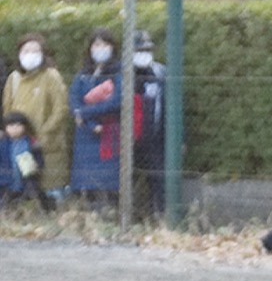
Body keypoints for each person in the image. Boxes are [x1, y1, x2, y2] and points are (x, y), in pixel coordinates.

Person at [3, 33, 71, 199]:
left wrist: (44, 132)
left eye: (35, 50)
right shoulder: (14, 78)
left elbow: (60, 108)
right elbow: (7, 109)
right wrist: (11, 131)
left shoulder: (51, 76)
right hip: (20, 143)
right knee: (23, 183)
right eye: (26, 50)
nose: (30, 54)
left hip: (47, 144)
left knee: (50, 189)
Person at [68, 28, 123, 210]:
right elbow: (74, 100)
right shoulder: (83, 74)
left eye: (105, 44)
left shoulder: (119, 72)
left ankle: (110, 210)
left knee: (108, 177)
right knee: (86, 179)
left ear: (113, 47)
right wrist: (87, 119)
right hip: (85, 133)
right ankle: (89, 211)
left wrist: (84, 113)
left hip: (108, 131)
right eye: (97, 44)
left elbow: (116, 102)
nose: (101, 48)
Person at [130, 30, 167, 218]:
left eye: (147, 49)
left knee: (158, 179)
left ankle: (160, 216)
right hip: (127, 139)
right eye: (139, 49)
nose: (143, 53)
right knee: (127, 179)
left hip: (154, 138)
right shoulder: (123, 73)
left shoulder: (160, 72)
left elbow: (171, 106)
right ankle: (128, 217)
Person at [1, 111, 53, 211]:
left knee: (34, 195)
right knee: (7, 201)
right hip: (8, 179)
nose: (15, 128)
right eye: (11, 125)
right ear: (6, 127)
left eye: (18, 125)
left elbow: (38, 157)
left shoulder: (30, 142)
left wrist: (37, 166)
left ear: (25, 126)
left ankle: (44, 210)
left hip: (27, 177)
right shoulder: (4, 143)